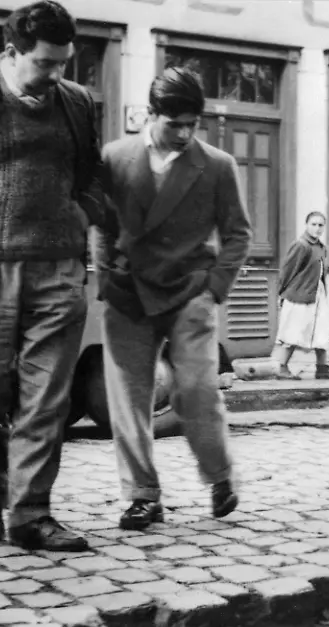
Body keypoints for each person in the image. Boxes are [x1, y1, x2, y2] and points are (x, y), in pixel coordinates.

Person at [0, 0, 104, 551]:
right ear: (11, 52)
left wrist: (83, 213)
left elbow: (91, 173)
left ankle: (32, 514)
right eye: (46, 64)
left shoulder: (76, 102)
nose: (57, 75)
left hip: (59, 271)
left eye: (65, 63)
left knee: (46, 399)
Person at [93, 67, 252, 531]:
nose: (184, 134)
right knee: (128, 399)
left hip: (190, 294)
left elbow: (239, 235)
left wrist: (213, 291)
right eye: (174, 124)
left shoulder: (218, 165)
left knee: (198, 391)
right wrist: (106, 280)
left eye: (192, 124)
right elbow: (102, 226)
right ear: (151, 114)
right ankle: (142, 496)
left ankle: (220, 475)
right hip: (128, 294)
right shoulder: (115, 158)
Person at [273, 211, 329, 380]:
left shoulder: (321, 247)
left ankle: (322, 368)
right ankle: (282, 367)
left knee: (321, 331)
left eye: (320, 225)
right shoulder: (301, 245)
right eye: (313, 224)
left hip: (317, 295)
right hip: (299, 296)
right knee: (294, 331)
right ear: (307, 225)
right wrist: (281, 292)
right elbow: (287, 271)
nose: (317, 228)